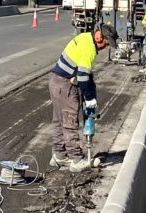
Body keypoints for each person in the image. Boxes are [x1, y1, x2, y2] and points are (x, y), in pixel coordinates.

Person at [49, 23, 117, 173]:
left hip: (56, 81)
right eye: (106, 43)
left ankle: (59, 155)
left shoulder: (85, 37)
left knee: (59, 119)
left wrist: (90, 92)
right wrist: (90, 99)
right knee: (69, 120)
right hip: (65, 84)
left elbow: (86, 75)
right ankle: (76, 160)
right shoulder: (89, 49)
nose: (106, 47)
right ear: (99, 36)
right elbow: (83, 77)